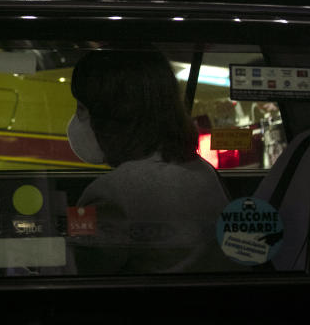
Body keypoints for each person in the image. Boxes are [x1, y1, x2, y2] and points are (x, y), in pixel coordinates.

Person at [67, 49, 231, 273]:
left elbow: (79, 271)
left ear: (112, 117)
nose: (77, 121)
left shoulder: (109, 194)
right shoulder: (203, 171)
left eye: (82, 109)